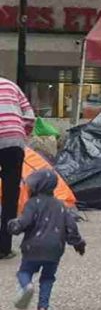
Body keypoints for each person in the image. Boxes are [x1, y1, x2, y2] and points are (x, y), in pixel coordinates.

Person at [9, 169, 85, 310]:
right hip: (54, 250)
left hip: (33, 247)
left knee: (24, 272)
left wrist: (13, 226)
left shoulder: (32, 204)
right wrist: (78, 243)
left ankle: (27, 286)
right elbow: (71, 227)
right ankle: (43, 308)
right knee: (48, 278)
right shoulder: (61, 206)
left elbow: (24, 223)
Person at [0, 75, 35, 260]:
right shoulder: (11, 86)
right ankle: (4, 248)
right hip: (13, 142)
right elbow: (29, 117)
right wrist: (22, 136)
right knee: (10, 196)